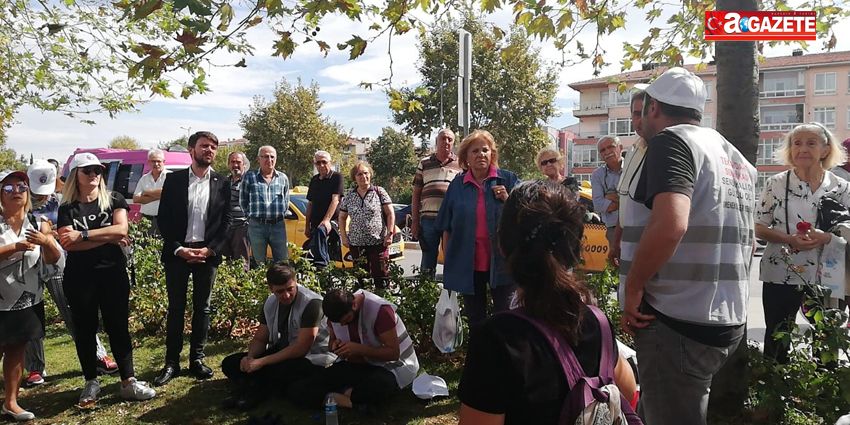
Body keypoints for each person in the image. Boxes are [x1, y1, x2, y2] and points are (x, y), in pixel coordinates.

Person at [619, 67, 755, 425]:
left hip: (676, 318)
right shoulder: (733, 156)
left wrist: (633, 286)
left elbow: (671, 223)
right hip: (722, 316)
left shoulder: (671, 141)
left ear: (652, 108)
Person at [458, 180, 640, 425]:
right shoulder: (596, 322)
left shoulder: (497, 339)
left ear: (502, 246)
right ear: (576, 248)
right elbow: (627, 391)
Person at [58, 153, 156, 408]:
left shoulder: (114, 199)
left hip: (112, 273)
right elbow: (68, 244)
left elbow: (122, 230)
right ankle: (91, 381)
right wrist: (106, 236)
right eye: (87, 171)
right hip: (79, 278)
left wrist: (85, 234)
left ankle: (128, 381)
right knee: (86, 330)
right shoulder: (67, 207)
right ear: (75, 175)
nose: (94, 175)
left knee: (118, 327)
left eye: (97, 171)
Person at [755, 123, 850, 364]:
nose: (802, 149)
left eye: (811, 143)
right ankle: (776, 396)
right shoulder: (775, 184)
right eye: (796, 143)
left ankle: (823, 398)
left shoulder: (842, 187)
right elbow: (758, 226)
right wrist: (787, 238)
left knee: (827, 339)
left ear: (826, 149)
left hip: (827, 276)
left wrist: (827, 237)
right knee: (777, 340)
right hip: (780, 273)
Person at [24, 160, 117, 389]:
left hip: (57, 260)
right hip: (27, 264)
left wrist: (55, 234)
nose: (43, 197)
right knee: (30, 314)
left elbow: (72, 230)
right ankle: (35, 367)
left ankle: (98, 354)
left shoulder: (62, 201)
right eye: (37, 192)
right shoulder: (21, 202)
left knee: (74, 310)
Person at [154, 131, 230, 386]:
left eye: (213, 147)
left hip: (207, 255)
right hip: (178, 255)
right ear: (191, 149)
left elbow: (226, 222)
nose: (209, 150)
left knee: (203, 308)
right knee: (176, 309)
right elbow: (163, 219)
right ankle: (171, 363)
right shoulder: (174, 181)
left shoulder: (222, 182)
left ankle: (197, 360)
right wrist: (179, 249)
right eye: (204, 146)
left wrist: (210, 250)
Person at [220, 262, 335, 410]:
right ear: (271, 288)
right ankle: (259, 385)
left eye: (290, 289)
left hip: (311, 358)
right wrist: (250, 358)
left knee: (277, 370)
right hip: (282, 352)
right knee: (230, 363)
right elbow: (260, 338)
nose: (286, 295)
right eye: (280, 291)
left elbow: (301, 348)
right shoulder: (270, 302)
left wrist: (262, 362)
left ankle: (252, 390)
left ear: (296, 282)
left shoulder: (312, 303)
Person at [436, 130, 519, 327]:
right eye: (475, 151)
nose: (481, 155)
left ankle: (504, 357)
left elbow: (524, 216)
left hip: (502, 263)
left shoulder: (507, 180)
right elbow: (446, 226)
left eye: (485, 150)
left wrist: (508, 200)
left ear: (492, 154)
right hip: (468, 264)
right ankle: (480, 355)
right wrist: (450, 262)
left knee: (506, 317)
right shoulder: (457, 185)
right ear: (466, 157)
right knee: (475, 319)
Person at [288, 288, 419, 412]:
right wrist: (335, 346)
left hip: (389, 367)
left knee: (379, 386)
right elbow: (331, 343)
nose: (343, 325)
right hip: (355, 365)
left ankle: (336, 396)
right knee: (299, 388)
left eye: (347, 320)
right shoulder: (336, 316)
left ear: (354, 305)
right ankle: (350, 400)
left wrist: (360, 350)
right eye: (339, 323)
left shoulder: (380, 311)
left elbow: (393, 353)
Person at [0, 170, 62, 421]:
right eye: (8, 188)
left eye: (22, 187)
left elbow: (53, 259)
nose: (16, 191)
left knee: (17, 350)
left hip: (27, 298)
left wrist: (47, 243)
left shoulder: (37, 222)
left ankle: (11, 402)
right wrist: (14, 247)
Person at [411, 129, 462, 278]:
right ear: (437, 141)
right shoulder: (424, 163)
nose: (446, 142)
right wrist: (415, 221)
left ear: (453, 143)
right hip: (428, 220)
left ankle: (452, 296)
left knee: (452, 258)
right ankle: (426, 296)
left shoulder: (461, 164)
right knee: (428, 260)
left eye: (450, 139)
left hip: (452, 220)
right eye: (443, 138)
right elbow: (416, 194)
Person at [338, 162, 395, 287]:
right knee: (361, 279)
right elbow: (342, 217)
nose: (363, 176)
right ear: (354, 177)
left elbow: (390, 214)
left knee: (381, 277)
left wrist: (389, 234)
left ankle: (383, 303)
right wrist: (343, 235)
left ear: (370, 175)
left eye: (366, 173)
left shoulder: (379, 192)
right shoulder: (350, 196)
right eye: (359, 174)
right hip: (357, 245)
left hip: (378, 243)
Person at [611, 84, 649, 267]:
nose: (640, 119)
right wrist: (616, 241)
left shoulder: (665, 154)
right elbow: (624, 203)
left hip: (649, 252)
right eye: (635, 114)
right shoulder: (633, 152)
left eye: (644, 113)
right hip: (627, 247)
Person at [240, 145, 290, 267]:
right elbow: (243, 201)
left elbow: (286, 202)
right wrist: (251, 218)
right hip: (257, 226)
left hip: (278, 226)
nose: (269, 160)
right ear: (259, 159)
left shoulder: (283, 178)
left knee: (282, 262)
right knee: (259, 264)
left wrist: (280, 216)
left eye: (272, 157)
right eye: (266, 156)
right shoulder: (249, 177)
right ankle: (261, 285)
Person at [305, 150, 343, 268]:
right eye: (318, 163)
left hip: (332, 220)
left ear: (330, 163)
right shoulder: (314, 180)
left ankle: (323, 266)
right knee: (314, 247)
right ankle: (321, 270)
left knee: (322, 231)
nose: (321, 165)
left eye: (324, 162)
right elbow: (310, 203)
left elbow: (335, 200)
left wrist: (326, 220)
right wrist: (306, 226)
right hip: (315, 221)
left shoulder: (337, 177)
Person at [591, 135, 623, 247]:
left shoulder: (632, 167)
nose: (607, 152)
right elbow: (598, 205)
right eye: (603, 150)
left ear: (620, 148)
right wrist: (624, 200)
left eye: (611, 147)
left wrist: (609, 197)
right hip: (612, 229)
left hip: (636, 226)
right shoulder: (597, 175)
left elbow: (637, 199)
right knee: (619, 263)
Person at [222, 151, 251, 265]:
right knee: (225, 261)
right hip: (226, 227)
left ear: (244, 164)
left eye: (238, 162)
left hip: (242, 227)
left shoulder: (249, 181)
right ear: (228, 164)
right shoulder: (225, 182)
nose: (235, 165)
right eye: (232, 162)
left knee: (241, 263)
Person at [133, 148, 169, 236]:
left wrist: (146, 192)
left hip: (165, 220)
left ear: (164, 161)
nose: (156, 164)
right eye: (153, 161)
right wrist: (159, 195)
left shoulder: (170, 177)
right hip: (146, 219)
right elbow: (136, 199)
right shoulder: (144, 178)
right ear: (149, 162)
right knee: (146, 247)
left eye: (158, 161)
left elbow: (168, 194)